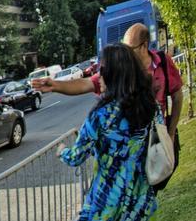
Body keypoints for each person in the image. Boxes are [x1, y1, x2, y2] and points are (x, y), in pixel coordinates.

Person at [33, 23, 184, 190]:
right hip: (135, 177)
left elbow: (177, 97)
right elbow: (85, 83)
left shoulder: (102, 115)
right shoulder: (139, 92)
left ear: (144, 46)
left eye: (130, 49)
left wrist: (170, 133)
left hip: (141, 160)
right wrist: (54, 85)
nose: (100, 78)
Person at [57, 43, 161, 220]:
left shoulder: (102, 116)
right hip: (138, 199)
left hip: (106, 203)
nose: (98, 78)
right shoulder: (151, 106)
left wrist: (61, 151)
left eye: (101, 71)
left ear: (113, 75)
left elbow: (76, 157)